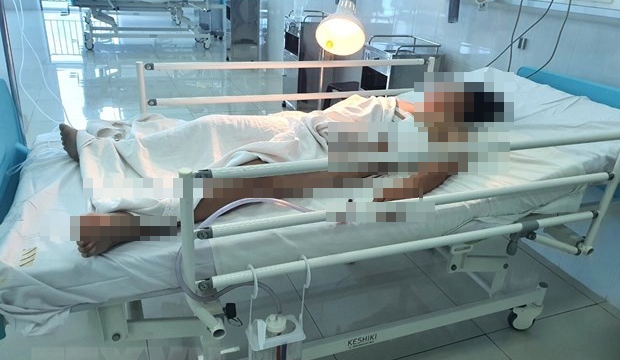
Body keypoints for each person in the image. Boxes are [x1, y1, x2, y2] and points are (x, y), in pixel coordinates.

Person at [60, 86, 505, 257]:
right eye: (445, 94)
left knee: (232, 183)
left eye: (454, 101)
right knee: (212, 126)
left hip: (336, 159)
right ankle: (111, 151)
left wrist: (363, 204)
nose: (441, 99)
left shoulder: (452, 143)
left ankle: (136, 224)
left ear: (466, 115)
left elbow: (416, 185)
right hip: (304, 124)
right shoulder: (408, 103)